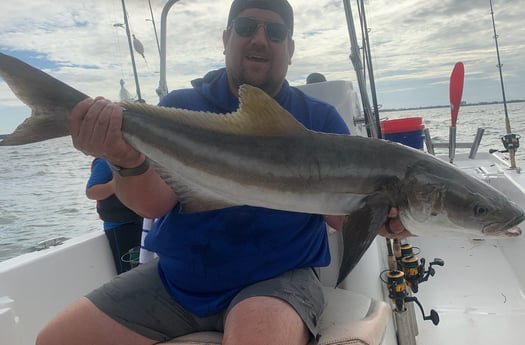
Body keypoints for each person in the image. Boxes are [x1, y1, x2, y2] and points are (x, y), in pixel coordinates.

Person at [37, 1, 410, 344]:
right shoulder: (179, 109)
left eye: (275, 33)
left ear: (290, 50)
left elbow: (338, 214)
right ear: (226, 39)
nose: (260, 39)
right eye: (246, 26)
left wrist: (381, 218)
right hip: (175, 283)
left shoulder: (319, 122)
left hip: (276, 280)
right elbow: (154, 204)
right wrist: (123, 159)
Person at [86, 157, 143, 274]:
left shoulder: (138, 157)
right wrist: (117, 184)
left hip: (142, 221)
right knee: (129, 270)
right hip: (119, 227)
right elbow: (91, 191)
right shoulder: (104, 162)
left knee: (144, 267)